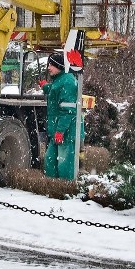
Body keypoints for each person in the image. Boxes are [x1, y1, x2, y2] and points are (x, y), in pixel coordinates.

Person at [43, 52, 85, 180]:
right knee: (50, 161)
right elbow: (56, 89)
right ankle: (54, 189)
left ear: (59, 66)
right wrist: (46, 87)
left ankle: (66, 191)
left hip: (67, 132)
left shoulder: (68, 82)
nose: (49, 68)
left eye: (52, 65)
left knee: (64, 165)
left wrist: (60, 131)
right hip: (58, 130)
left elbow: (68, 110)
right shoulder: (61, 79)